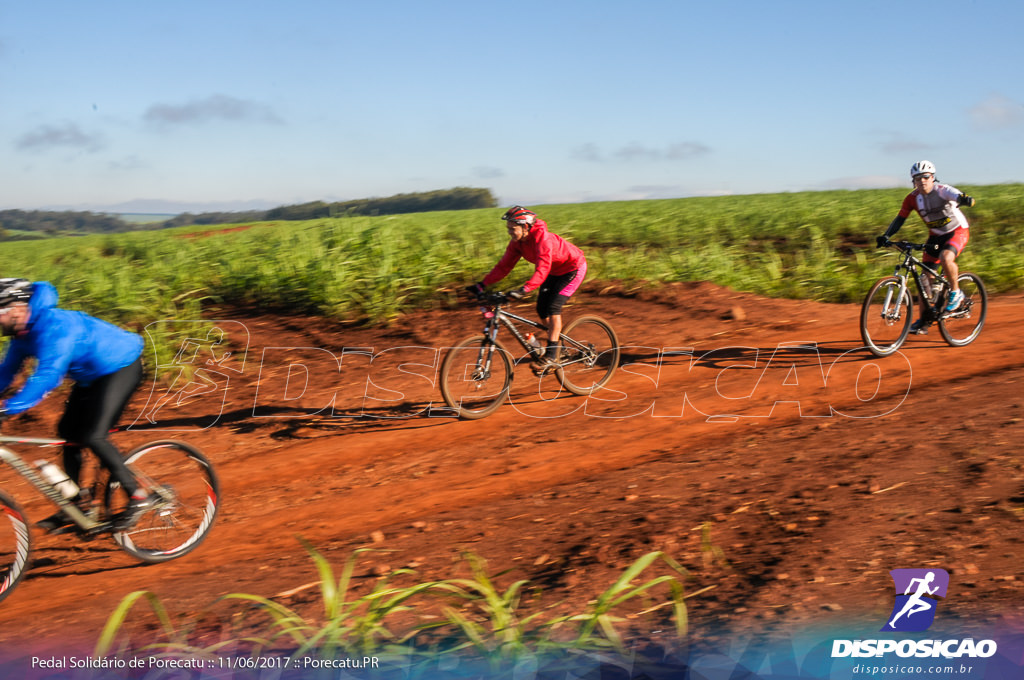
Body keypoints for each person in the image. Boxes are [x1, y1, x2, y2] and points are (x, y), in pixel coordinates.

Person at [0, 278, 156, 532]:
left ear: (17, 308)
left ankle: (139, 495)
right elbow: (6, 372)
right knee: (68, 433)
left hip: (120, 367)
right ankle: (77, 503)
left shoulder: (55, 326)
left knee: (93, 436)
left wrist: (10, 408)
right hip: (90, 378)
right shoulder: (21, 335)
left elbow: (49, 374)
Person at [467, 206, 587, 373]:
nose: (509, 232)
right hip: (554, 271)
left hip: (573, 269)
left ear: (525, 227)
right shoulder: (517, 243)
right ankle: (560, 348)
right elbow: (504, 267)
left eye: (512, 228)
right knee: (541, 309)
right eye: (508, 228)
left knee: (553, 308)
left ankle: (552, 354)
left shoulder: (542, 240)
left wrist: (525, 289)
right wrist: (482, 284)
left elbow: (542, 270)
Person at [877, 160, 976, 334]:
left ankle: (955, 292)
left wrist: (964, 199)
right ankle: (924, 322)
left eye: (926, 177)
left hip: (957, 231)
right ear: (913, 181)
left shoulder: (942, 191)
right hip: (936, 235)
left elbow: (956, 195)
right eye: (917, 178)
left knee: (946, 257)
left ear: (932, 177)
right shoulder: (912, 199)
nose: (922, 181)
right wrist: (886, 235)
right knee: (925, 281)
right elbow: (900, 218)